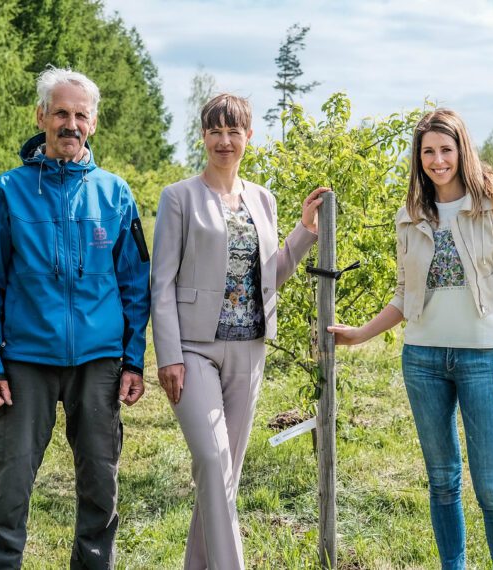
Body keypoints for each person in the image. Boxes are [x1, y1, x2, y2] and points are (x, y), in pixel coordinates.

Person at [328, 108, 493, 570]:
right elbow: (405, 295)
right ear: (418, 159)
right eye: (428, 152)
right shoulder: (411, 215)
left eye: (446, 150)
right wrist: (359, 334)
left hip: (483, 358)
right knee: (441, 482)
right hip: (422, 359)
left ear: (462, 151)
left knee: (492, 488)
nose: (438, 160)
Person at [0, 66, 151, 569]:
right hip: (25, 359)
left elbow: (135, 285)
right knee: (10, 483)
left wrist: (134, 360)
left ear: (93, 123)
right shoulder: (8, 191)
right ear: (41, 117)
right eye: (61, 113)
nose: (71, 124)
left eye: (81, 115)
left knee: (100, 484)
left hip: (98, 360)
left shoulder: (115, 193)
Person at [150, 93, 328, 570]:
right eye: (215, 131)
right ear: (203, 137)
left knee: (222, 477)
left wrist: (305, 231)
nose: (224, 141)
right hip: (194, 350)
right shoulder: (179, 197)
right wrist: (168, 355)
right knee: (212, 462)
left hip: (249, 350)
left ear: (249, 136)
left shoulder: (263, 199)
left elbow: (271, 274)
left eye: (234, 131)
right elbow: (161, 283)